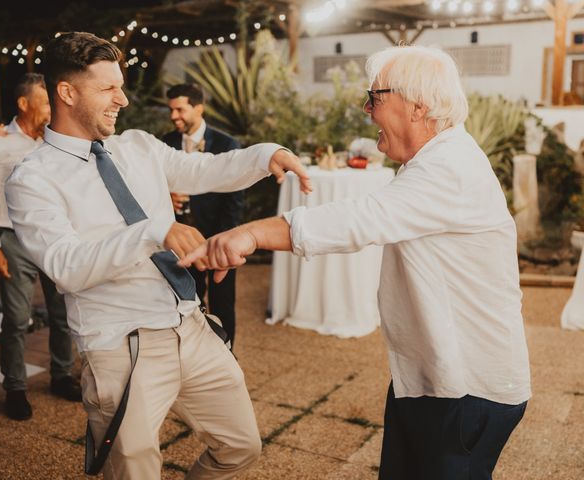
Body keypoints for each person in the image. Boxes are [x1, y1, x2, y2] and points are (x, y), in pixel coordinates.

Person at [180, 45, 531, 480]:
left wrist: (249, 233)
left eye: (375, 97)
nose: (366, 108)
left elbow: (353, 221)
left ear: (417, 108)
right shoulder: (438, 158)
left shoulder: (450, 168)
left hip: (467, 387)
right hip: (435, 377)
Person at [4, 32, 311, 479]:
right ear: (67, 93)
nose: (122, 99)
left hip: (191, 326)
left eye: (121, 86)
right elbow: (66, 267)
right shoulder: (31, 179)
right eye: (108, 88)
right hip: (121, 346)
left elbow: (207, 169)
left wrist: (269, 155)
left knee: (241, 447)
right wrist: (152, 232)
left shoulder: (139, 146)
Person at [0, 73, 81, 421]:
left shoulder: (56, 140)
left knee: (64, 313)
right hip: (13, 238)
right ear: (23, 103)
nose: (52, 107)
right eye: (46, 101)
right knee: (17, 318)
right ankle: (15, 387)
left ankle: (62, 376)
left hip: (55, 237)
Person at [163, 83, 242, 346]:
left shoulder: (227, 144)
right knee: (188, 300)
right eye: (171, 110)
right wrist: (167, 197)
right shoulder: (165, 143)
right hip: (181, 242)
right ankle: (195, 354)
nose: (174, 116)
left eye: (180, 109)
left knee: (222, 301)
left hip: (219, 237)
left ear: (199, 108)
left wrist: (223, 240)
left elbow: (235, 199)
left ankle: (226, 352)